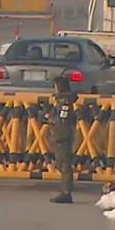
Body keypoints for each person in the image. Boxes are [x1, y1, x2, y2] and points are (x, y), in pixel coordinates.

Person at [50, 74, 77, 204]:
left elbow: (63, 120)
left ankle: (66, 192)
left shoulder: (64, 102)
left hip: (63, 136)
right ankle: (65, 191)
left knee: (65, 165)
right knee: (62, 164)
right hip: (61, 135)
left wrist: (50, 119)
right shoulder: (62, 101)